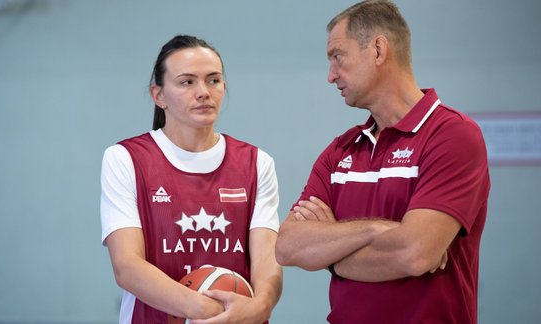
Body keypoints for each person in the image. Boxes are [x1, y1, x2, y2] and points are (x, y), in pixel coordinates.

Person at [275, 1, 490, 323]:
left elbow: (415, 253)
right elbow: (288, 246)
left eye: (337, 57)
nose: (331, 76)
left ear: (378, 49)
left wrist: (330, 250)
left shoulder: (453, 135)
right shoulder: (340, 150)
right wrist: (379, 229)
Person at [100, 34, 282, 324]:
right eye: (187, 82)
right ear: (158, 95)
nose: (203, 92)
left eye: (214, 80)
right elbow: (127, 266)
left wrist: (260, 307)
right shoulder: (126, 159)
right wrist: (203, 310)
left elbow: (266, 261)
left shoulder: (257, 163)